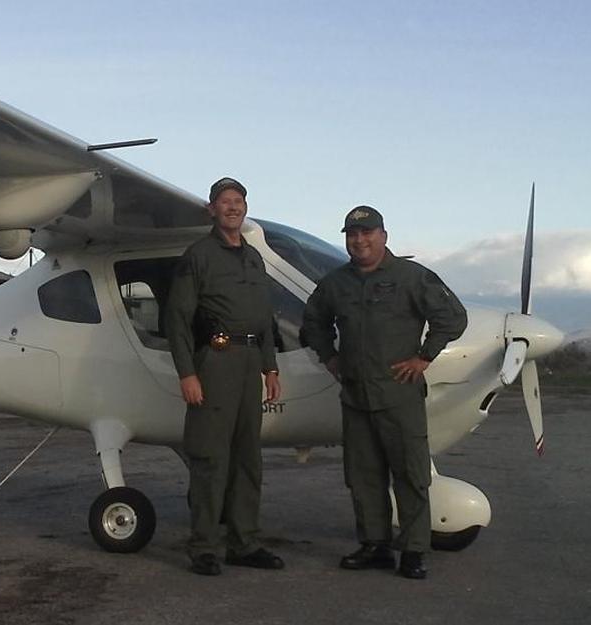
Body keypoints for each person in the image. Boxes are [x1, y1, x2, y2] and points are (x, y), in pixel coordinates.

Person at [300, 205, 467, 580]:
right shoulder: (336, 283)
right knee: (363, 476)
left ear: (383, 236)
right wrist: (329, 357)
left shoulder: (412, 277)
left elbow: (453, 318)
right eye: (352, 234)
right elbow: (313, 321)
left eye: (367, 233)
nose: (359, 240)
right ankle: (374, 545)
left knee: (410, 473)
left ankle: (413, 550)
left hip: (399, 394)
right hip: (356, 397)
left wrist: (424, 357)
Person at [165, 176, 284, 576]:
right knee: (210, 456)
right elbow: (177, 319)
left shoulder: (254, 258)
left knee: (248, 458)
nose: (233, 207)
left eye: (238, 201)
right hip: (215, 361)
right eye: (225, 201)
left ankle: (244, 543)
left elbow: (263, 319)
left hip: (250, 362)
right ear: (212, 209)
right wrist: (187, 373)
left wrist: (270, 367)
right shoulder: (198, 256)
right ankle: (203, 546)